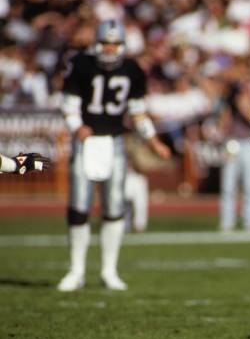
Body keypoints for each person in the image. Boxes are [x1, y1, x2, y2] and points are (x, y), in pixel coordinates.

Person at [57, 20, 170, 292]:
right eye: (105, 43)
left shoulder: (132, 69)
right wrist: (76, 126)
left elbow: (138, 110)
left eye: (114, 43)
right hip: (87, 141)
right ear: (97, 43)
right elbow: (69, 104)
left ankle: (109, 270)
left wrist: (153, 140)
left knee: (114, 206)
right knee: (79, 205)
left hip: (115, 140)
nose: (109, 48)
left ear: (122, 45)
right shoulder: (82, 64)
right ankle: (77, 270)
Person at [219, 80, 250, 232]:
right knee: (228, 186)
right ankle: (226, 222)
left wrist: (243, 105)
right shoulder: (228, 104)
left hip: (249, 144)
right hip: (232, 143)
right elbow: (223, 125)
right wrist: (227, 109)